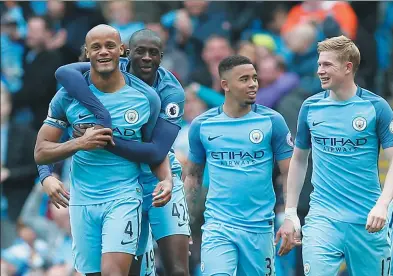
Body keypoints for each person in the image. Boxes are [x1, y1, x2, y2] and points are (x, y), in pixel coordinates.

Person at [44, 29, 190, 276]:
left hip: (158, 178)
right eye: (140, 52)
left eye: (153, 53)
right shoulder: (111, 68)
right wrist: (46, 172)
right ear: (127, 53)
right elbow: (65, 73)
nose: (145, 58)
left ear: (162, 57)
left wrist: (100, 137)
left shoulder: (169, 92)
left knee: (177, 269)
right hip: (124, 182)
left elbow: (156, 151)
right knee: (134, 271)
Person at [277, 35, 393, 276]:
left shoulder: (376, 107)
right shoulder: (310, 107)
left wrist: (383, 205)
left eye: (327, 65)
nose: (320, 71)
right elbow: (299, 160)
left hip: (368, 219)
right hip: (323, 218)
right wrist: (290, 212)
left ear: (348, 67)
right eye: (319, 64)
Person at [184, 55, 293, 275]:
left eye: (254, 77)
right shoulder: (203, 125)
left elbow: (289, 173)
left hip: (259, 228)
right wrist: (183, 222)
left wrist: (290, 216)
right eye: (244, 79)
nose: (253, 84)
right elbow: (193, 177)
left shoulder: (272, 122)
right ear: (225, 85)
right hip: (218, 226)